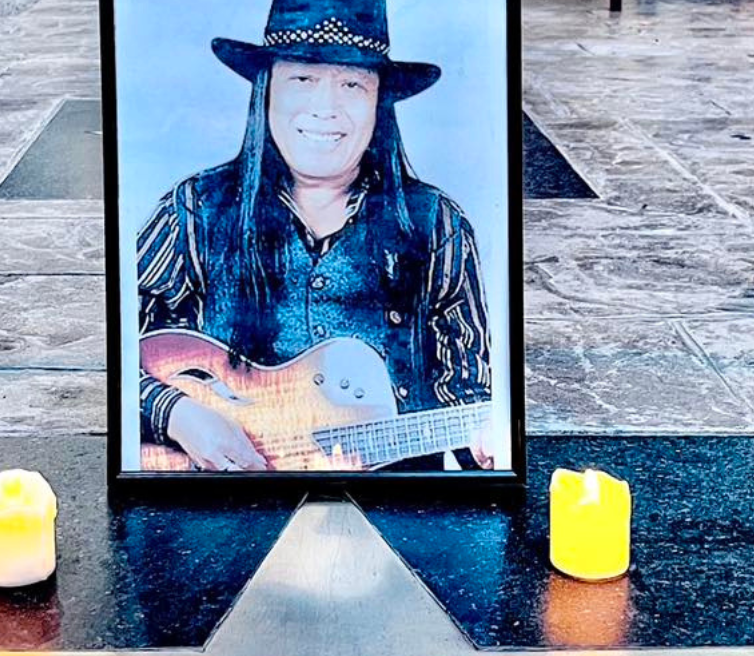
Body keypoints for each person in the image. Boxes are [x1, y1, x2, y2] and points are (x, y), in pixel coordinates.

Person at [136, 0, 493, 472]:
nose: (325, 108)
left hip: (393, 503)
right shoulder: (193, 212)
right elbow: (117, 357)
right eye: (302, 79)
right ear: (267, 91)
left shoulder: (437, 224)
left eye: (352, 84)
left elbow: (469, 392)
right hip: (229, 505)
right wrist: (177, 414)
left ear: (378, 104)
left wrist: (485, 444)